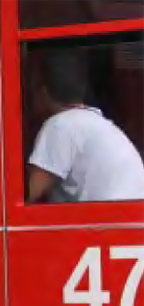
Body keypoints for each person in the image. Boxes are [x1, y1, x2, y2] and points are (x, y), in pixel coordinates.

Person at [27, 51, 144, 203]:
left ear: (43, 92)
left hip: (114, 214)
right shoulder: (91, 120)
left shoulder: (60, 125)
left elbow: (30, 194)